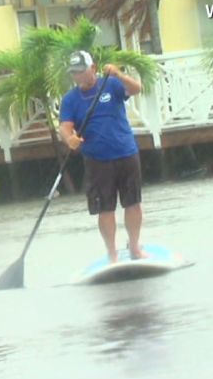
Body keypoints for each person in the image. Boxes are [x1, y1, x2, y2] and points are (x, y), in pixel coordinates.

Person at [58, 50, 148, 263]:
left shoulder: (111, 84)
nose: (78, 76)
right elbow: (64, 127)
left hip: (126, 152)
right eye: (74, 73)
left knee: (132, 203)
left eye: (81, 71)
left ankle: (134, 248)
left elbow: (136, 89)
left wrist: (119, 74)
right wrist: (69, 139)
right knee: (105, 208)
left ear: (93, 68)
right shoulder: (71, 99)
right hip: (97, 160)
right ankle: (112, 254)